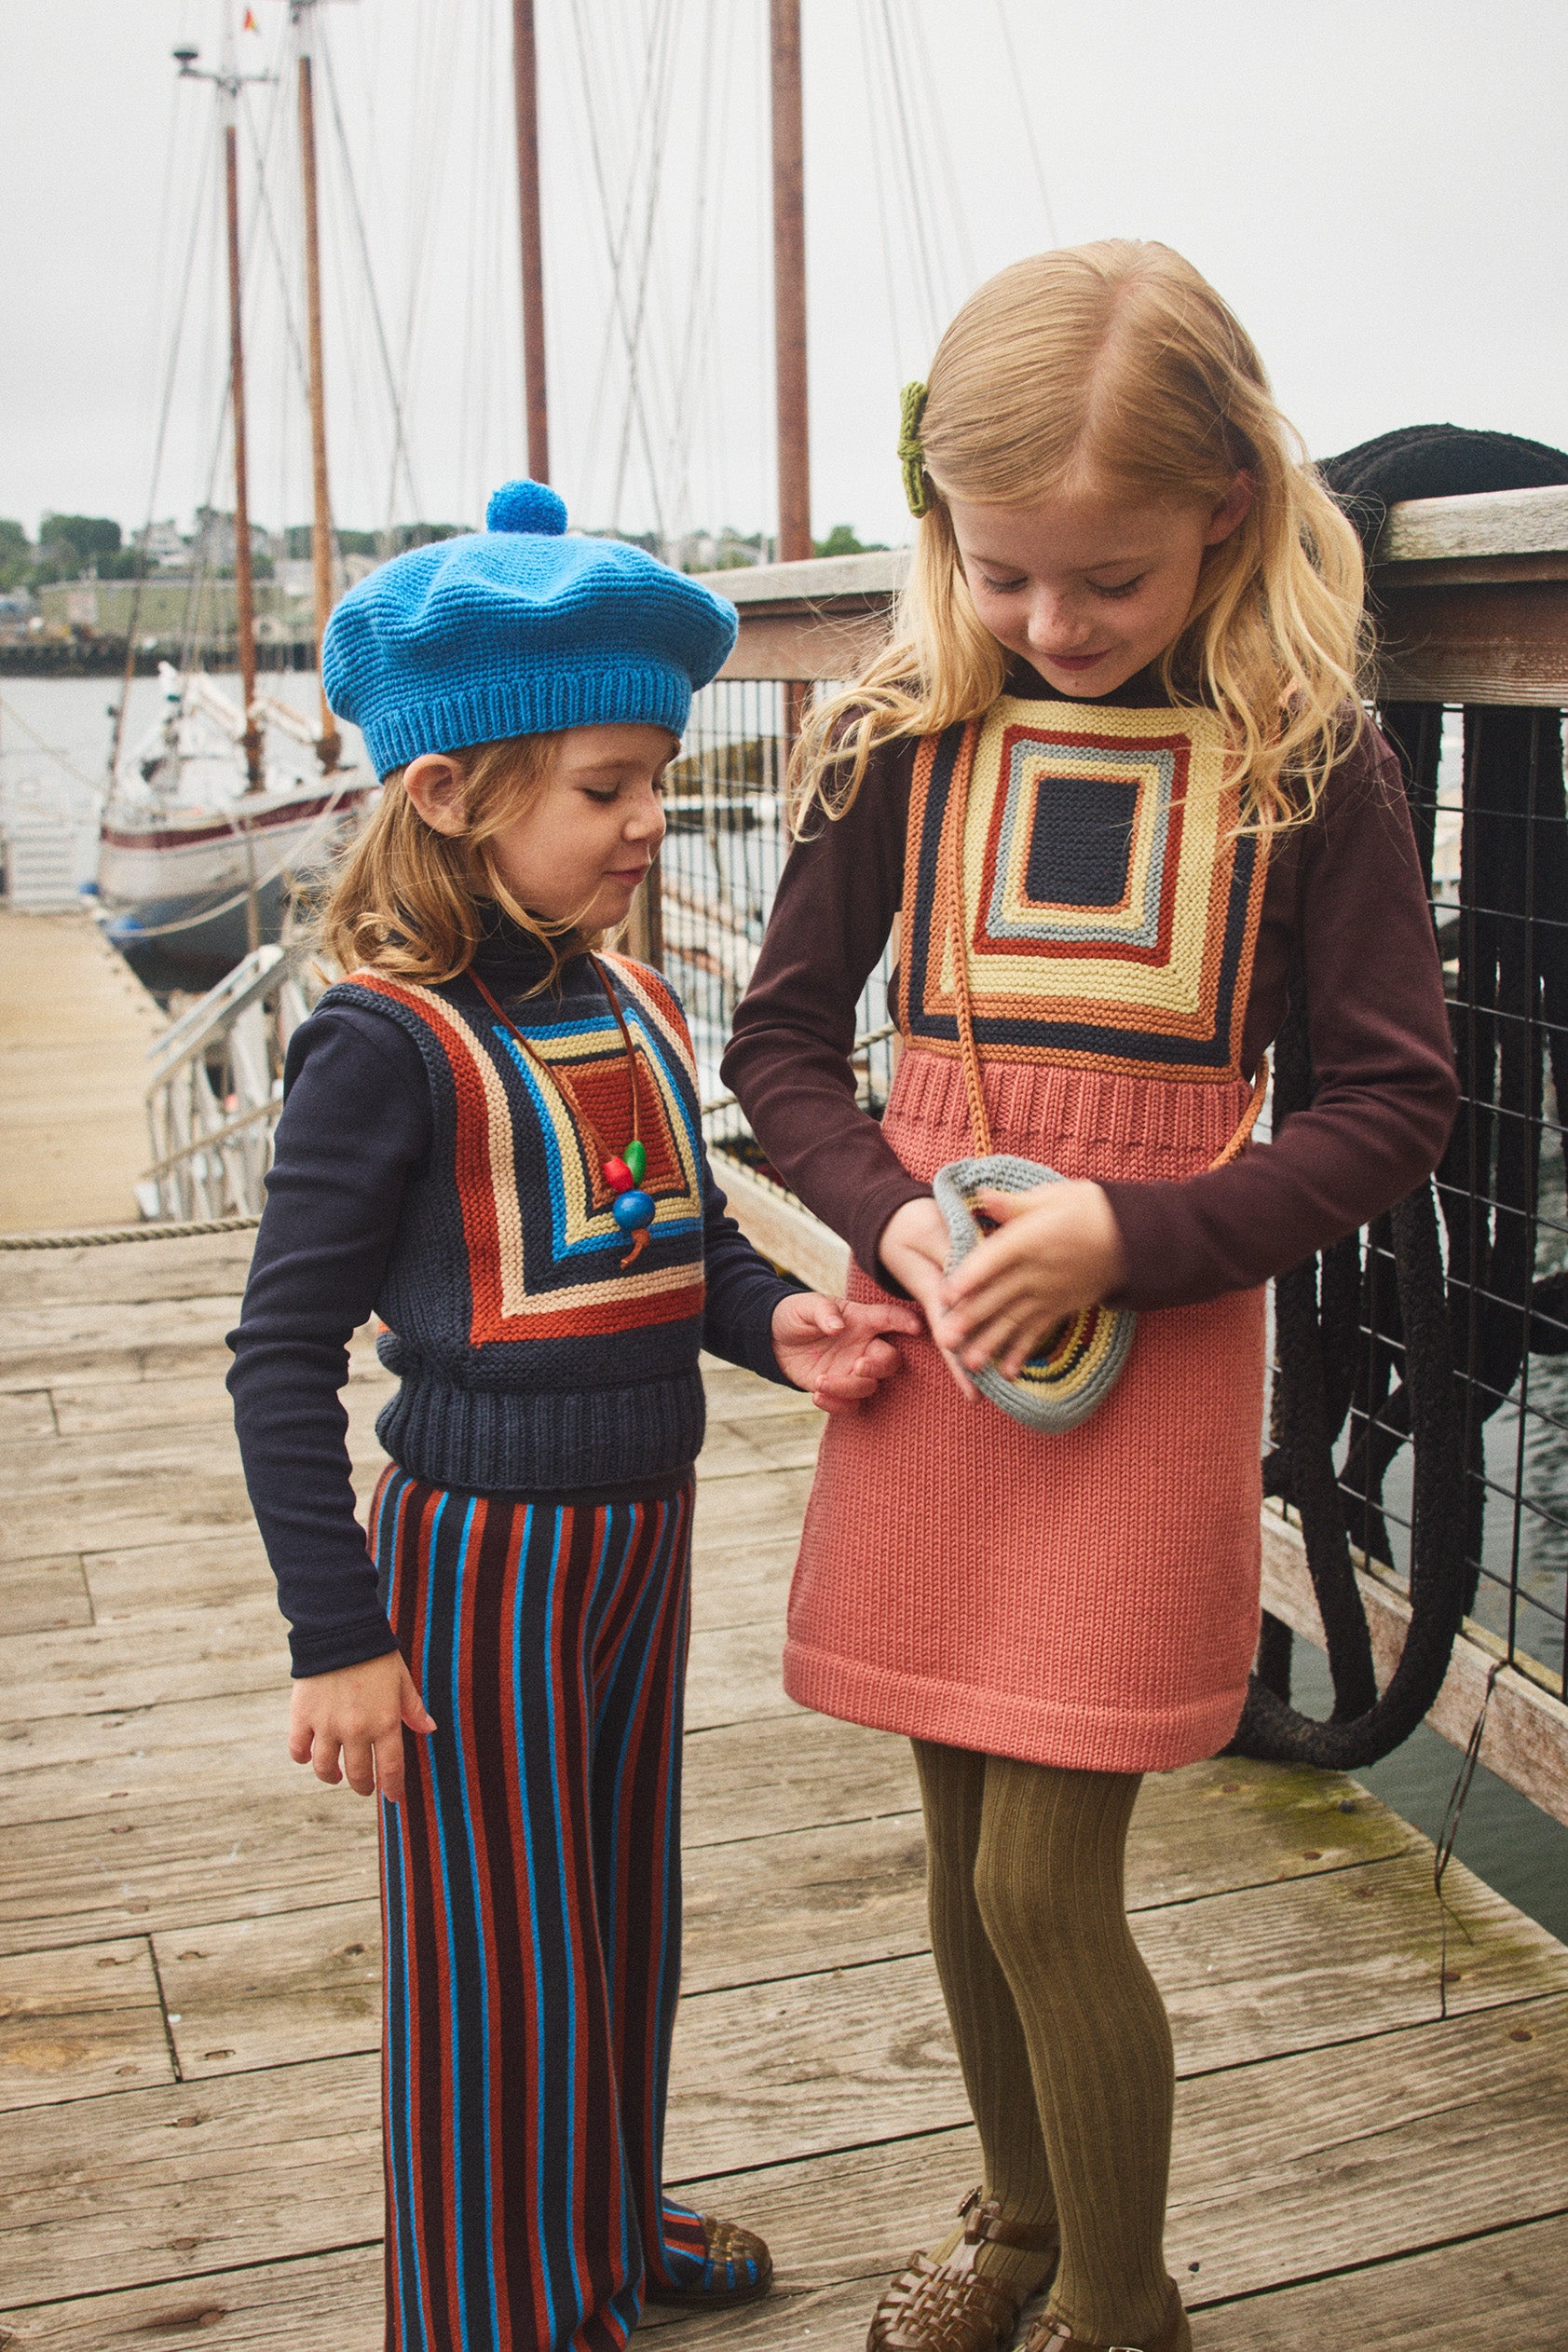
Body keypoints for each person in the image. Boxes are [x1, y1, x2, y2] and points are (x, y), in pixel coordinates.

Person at [721, 244, 1459, 2352]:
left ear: (1225, 505)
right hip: (937, 1364)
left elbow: (1393, 1101)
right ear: (939, 526)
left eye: (1106, 578)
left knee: (1044, 1880)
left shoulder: (1306, 756)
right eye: (1002, 571)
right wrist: (891, 1218)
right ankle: (1021, 2227)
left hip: (1146, 1382)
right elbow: (779, 1050)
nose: (1049, 621)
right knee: (960, 1856)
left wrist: (1135, 1236)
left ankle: (1122, 2303)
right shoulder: (897, 731)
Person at [226, 479, 920, 2352]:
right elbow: (277, 1358)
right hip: (477, 1562)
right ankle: (498, 2307)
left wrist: (783, 1327)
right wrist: (337, 1637)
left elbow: (673, 1244)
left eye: (656, 782)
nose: (648, 821)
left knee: (614, 1908)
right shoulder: (384, 1041)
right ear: (454, 791)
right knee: (492, 1953)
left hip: (637, 1536)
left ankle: (601, 2219)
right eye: (607, 787)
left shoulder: (628, 997)